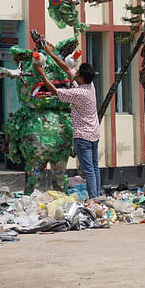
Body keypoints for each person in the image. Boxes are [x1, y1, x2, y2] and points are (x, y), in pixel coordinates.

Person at [33, 44, 101, 198]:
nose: (74, 74)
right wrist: (51, 54)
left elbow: (55, 92)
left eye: (78, 74)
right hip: (94, 133)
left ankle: (93, 198)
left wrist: (43, 75)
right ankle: (97, 196)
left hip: (83, 136)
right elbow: (67, 68)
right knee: (94, 168)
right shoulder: (90, 86)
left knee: (88, 169)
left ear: (82, 78)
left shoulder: (78, 93)